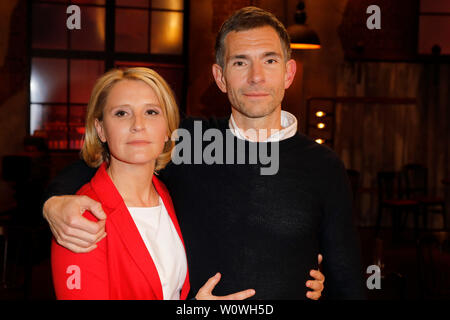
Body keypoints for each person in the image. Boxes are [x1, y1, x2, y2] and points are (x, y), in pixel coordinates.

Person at [44, 6, 364, 299]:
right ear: (220, 77)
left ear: (289, 73)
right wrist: (54, 203)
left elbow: (346, 279)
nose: (256, 76)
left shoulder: (323, 166)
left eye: (269, 60)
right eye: (240, 62)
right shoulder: (191, 142)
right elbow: (105, 157)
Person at [51, 67, 256, 300]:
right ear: (101, 129)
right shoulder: (80, 220)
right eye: (121, 113)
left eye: (151, 112)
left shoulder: (167, 194)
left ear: (169, 129)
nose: (138, 124)